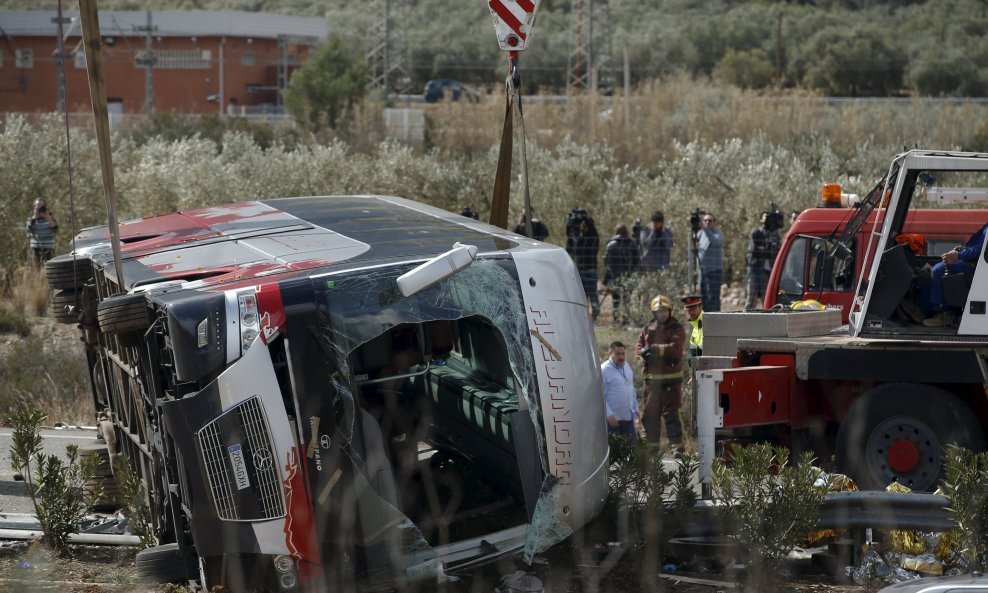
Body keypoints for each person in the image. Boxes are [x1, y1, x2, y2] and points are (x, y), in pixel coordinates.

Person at [635, 294, 686, 456]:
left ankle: (677, 448)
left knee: (671, 416)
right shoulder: (647, 329)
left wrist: (654, 348)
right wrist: (642, 354)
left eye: (665, 311)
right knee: (650, 415)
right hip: (651, 384)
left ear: (670, 311)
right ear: (654, 313)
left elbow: (675, 348)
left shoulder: (677, 328)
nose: (662, 314)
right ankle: (651, 448)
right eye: (659, 311)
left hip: (671, 383)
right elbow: (639, 347)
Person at [923, 222, 988, 327]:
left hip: (978, 267)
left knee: (938, 270)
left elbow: (980, 250)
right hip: (974, 263)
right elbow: (975, 245)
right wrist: (963, 249)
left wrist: (959, 255)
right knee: (933, 270)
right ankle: (923, 310)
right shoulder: (986, 226)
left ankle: (939, 312)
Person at [565, 208, 600, 320]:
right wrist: (572, 233)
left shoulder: (592, 236)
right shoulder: (577, 237)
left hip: (590, 269)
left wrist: (587, 224)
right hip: (579, 269)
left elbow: (593, 239)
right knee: (580, 295)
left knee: (592, 294)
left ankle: (595, 316)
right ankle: (582, 317)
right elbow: (570, 249)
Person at [603, 224, 641, 326]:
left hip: (614, 276)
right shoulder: (632, 244)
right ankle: (626, 320)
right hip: (627, 276)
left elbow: (605, 260)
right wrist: (632, 273)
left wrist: (611, 271)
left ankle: (615, 320)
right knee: (626, 300)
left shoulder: (610, 244)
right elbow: (637, 261)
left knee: (615, 300)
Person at [600, 341, 639, 441]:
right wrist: (609, 415)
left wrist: (636, 409)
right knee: (615, 452)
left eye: (623, 354)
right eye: (618, 354)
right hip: (613, 420)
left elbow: (631, 389)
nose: (621, 357)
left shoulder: (626, 366)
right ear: (610, 353)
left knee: (632, 450)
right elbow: (600, 396)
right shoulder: (604, 370)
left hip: (628, 418)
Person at [745, 211, 782, 310]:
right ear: (761, 219)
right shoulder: (757, 233)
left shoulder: (775, 235)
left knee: (767, 300)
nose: (768, 220)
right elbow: (753, 252)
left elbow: (778, 251)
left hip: (769, 272)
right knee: (750, 300)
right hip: (756, 270)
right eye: (766, 217)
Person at [695, 213, 724, 312]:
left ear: (714, 223)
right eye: (705, 220)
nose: (707, 222)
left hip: (714, 271)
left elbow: (716, 242)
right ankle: (706, 320)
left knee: (713, 297)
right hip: (702, 272)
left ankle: (716, 321)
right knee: (704, 298)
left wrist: (706, 230)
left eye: (710, 221)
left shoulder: (717, 233)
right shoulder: (700, 233)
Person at [26, 198, 58, 265]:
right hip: (36, 249)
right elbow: (28, 229)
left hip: (49, 248)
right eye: (38, 206)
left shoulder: (50, 218)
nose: (40, 209)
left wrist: (47, 217)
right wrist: (34, 217)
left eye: (41, 206)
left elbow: (55, 229)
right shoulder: (31, 219)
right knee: (36, 268)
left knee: (50, 267)